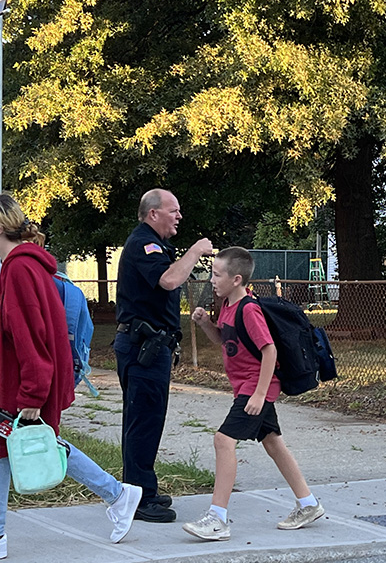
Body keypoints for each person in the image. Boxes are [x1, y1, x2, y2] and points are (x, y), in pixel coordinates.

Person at [0, 194, 142, 557]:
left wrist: (32, 395)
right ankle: (118, 494)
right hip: (22, 379)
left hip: (23, 382)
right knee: (17, 448)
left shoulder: (18, 269)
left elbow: (31, 335)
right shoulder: (26, 265)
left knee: (18, 448)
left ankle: (118, 494)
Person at [183, 247, 323, 540]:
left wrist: (259, 394)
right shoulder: (227, 307)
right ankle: (308, 503)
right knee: (273, 442)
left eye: (217, 275)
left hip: (256, 387)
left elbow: (269, 350)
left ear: (236, 279)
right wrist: (206, 323)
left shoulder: (249, 309)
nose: (212, 280)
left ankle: (217, 519)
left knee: (223, 441)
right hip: (246, 387)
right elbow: (225, 341)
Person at [115, 189, 213, 523]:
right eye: (174, 210)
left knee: (146, 419)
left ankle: (141, 489)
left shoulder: (155, 244)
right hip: (143, 348)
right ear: (153, 213)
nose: (179, 216)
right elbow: (170, 280)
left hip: (152, 347)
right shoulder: (144, 243)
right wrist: (197, 249)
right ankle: (139, 498)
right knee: (143, 421)